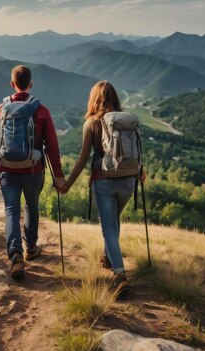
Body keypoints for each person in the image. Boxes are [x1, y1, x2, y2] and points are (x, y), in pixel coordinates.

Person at [60, 80, 144, 294]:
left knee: (108, 227)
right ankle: (109, 259)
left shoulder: (92, 123)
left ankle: (119, 274)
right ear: (115, 97)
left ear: (94, 99)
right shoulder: (127, 122)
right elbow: (136, 151)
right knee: (114, 220)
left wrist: (67, 184)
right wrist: (140, 172)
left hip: (104, 180)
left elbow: (82, 160)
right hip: (128, 180)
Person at [0, 65, 66, 280]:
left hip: (6, 170)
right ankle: (31, 247)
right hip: (33, 170)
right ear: (30, 85)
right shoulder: (41, 111)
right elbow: (52, 146)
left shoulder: (0, 110)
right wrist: (58, 175)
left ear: (12, 84)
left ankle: (15, 256)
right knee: (31, 207)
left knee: (11, 210)